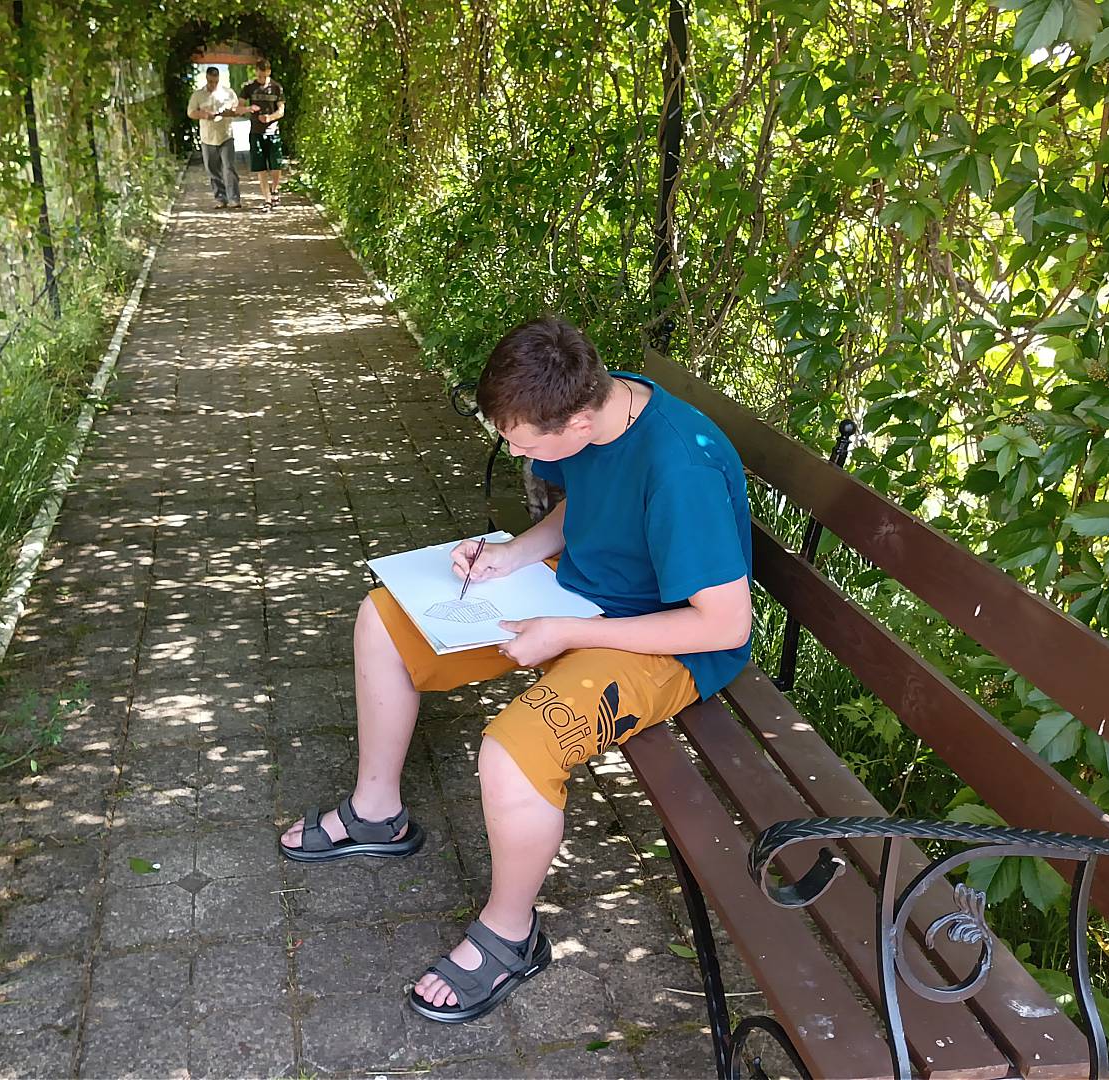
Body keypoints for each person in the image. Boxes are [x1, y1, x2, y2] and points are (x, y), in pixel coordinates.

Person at [278, 315, 754, 1023]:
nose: (514, 451)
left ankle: (510, 935)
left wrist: (565, 632)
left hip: (668, 644)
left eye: (522, 442)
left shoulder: (681, 468)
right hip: (577, 595)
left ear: (579, 421)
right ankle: (376, 814)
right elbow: (582, 507)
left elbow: (725, 624)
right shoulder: (598, 409)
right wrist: (512, 554)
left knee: (511, 751)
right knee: (382, 619)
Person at [187, 66, 240, 209]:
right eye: (210, 81)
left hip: (226, 135)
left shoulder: (228, 93)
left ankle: (234, 198)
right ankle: (221, 198)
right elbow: (191, 112)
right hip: (208, 137)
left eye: (215, 81)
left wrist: (228, 112)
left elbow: (237, 110)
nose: (213, 84)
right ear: (206, 78)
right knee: (212, 169)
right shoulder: (198, 95)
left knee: (229, 168)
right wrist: (204, 115)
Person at [239, 59, 285, 212]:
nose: (261, 78)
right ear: (256, 72)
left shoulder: (276, 88)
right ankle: (267, 199)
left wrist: (269, 118)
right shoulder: (249, 87)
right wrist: (249, 108)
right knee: (261, 167)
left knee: (276, 164)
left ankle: (274, 190)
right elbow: (238, 108)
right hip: (256, 131)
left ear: (269, 72)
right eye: (259, 75)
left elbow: (281, 111)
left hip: (273, 131)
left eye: (264, 76)